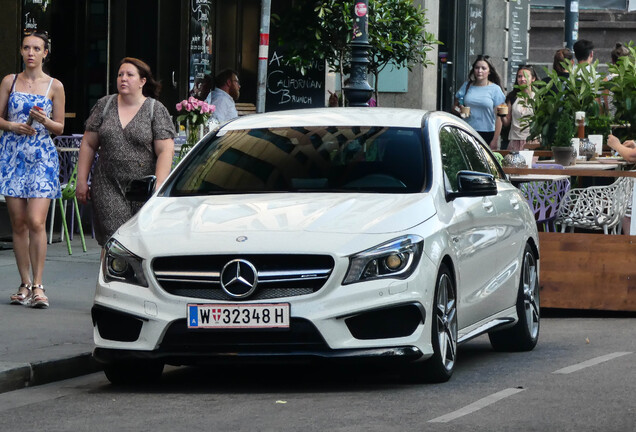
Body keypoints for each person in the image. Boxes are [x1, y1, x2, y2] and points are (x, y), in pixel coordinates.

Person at [75, 57, 175, 246]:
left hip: (143, 186)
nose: (123, 78)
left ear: (142, 81)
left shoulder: (155, 109)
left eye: (130, 75)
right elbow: (88, 143)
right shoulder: (105, 105)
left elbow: (165, 151)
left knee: (141, 240)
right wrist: (82, 180)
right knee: (115, 238)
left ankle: (135, 275)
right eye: (120, 74)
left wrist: (159, 184)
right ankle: (111, 275)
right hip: (108, 184)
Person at [0, 31, 65, 308]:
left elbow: (60, 127)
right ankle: (24, 283)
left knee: (37, 221)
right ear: (21, 51)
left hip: (42, 156)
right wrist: (12, 125)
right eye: (26, 47)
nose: (30, 53)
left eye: (36, 48)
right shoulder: (9, 81)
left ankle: (39, 285)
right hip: (12, 155)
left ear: (45, 53)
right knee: (18, 223)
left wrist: (45, 120)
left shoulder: (55, 85)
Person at [454, 55, 506, 149]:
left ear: (489, 71)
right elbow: (454, 107)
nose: (479, 71)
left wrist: (495, 140)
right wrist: (460, 110)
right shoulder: (467, 85)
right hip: (467, 130)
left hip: (488, 133)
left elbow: (500, 117)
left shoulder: (496, 89)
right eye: (477, 68)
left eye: (483, 68)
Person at [502, 65, 539, 151]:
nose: (522, 79)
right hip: (515, 139)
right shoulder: (512, 97)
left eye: (526, 76)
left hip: (532, 141)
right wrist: (501, 115)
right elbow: (507, 122)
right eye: (519, 76)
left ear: (533, 79)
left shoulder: (537, 97)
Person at [603, 43, 630, 115]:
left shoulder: (606, 81)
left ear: (612, 60)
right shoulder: (631, 78)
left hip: (613, 122)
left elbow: (607, 106)